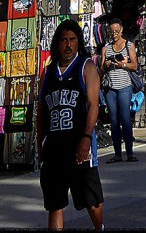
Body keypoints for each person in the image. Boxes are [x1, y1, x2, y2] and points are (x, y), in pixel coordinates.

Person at [37, 18, 104, 231]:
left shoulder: (87, 67)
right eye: (64, 40)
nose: (68, 44)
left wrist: (86, 137)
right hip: (54, 146)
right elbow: (40, 113)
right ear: (57, 43)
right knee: (54, 204)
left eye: (72, 40)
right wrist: (40, 145)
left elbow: (94, 105)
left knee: (91, 202)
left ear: (78, 42)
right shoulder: (47, 73)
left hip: (78, 144)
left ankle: (99, 228)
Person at [98, 19, 139, 162]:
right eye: (111, 32)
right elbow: (100, 72)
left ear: (121, 30)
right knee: (114, 121)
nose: (114, 34)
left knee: (125, 119)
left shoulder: (129, 46)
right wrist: (106, 65)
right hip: (110, 89)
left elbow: (134, 66)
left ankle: (130, 153)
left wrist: (123, 65)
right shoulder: (106, 48)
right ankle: (117, 154)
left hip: (124, 87)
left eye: (116, 31)